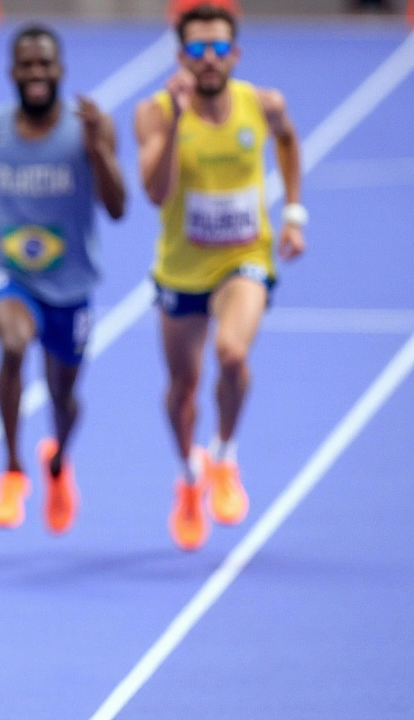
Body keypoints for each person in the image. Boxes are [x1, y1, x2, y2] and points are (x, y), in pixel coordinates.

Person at [134, 3, 305, 551]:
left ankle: (225, 456)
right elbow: (155, 192)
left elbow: (289, 142)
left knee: (232, 354)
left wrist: (294, 214)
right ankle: (189, 474)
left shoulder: (264, 104)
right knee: (183, 388)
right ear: (182, 57)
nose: (210, 60)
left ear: (235, 53)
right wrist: (179, 119)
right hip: (182, 268)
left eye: (219, 48)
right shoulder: (156, 112)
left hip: (243, 258)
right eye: (198, 50)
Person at [0, 24, 126, 535]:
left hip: (71, 282)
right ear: (12, 72)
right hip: (8, 271)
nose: (35, 74)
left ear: (60, 71)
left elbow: (118, 208)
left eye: (44, 65)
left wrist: (97, 149)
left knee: (63, 395)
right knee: (13, 342)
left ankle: (57, 460)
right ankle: (11, 468)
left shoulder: (90, 127)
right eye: (26, 65)